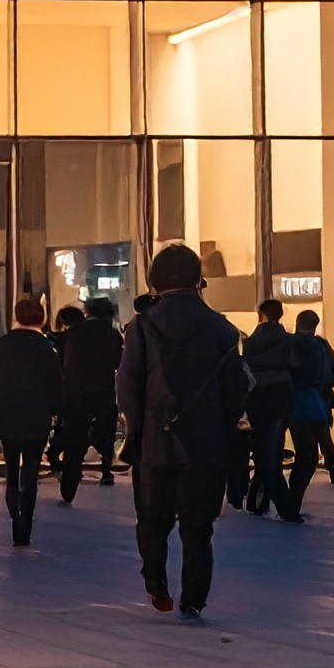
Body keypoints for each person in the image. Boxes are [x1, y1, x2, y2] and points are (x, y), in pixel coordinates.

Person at [118, 244, 250, 622]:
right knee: (198, 528)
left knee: (152, 521)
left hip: (154, 444)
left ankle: (156, 583)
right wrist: (222, 425)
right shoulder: (222, 329)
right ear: (198, 281)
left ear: (155, 280)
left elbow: (128, 386)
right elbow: (235, 389)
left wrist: (136, 429)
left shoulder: (141, 327)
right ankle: (193, 598)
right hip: (206, 446)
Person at [0, 297, 63, 548]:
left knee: (11, 468)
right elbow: (56, 384)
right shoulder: (47, 347)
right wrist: (56, 413)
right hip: (37, 414)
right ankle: (24, 525)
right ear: (42, 318)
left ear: (16, 316)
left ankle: (13, 509)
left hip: (8, 412)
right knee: (30, 470)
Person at [54, 298, 123, 503]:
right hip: (104, 391)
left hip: (76, 394)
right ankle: (106, 469)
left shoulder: (73, 334)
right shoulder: (113, 335)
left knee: (74, 436)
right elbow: (117, 361)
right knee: (106, 432)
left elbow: (62, 362)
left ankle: (70, 480)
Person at [283, 309, 334, 517]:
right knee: (316, 445)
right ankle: (292, 504)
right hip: (315, 401)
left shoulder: (288, 343)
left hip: (291, 402)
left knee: (303, 449)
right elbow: (333, 374)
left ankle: (288, 501)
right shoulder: (320, 346)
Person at [240, 299, 297, 520]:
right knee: (271, 451)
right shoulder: (286, 340)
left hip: (256, 397)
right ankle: (281, 504)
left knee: (264, 448)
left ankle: (258, 498)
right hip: (280, 397)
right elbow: (294, 364)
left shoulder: (251, 342)